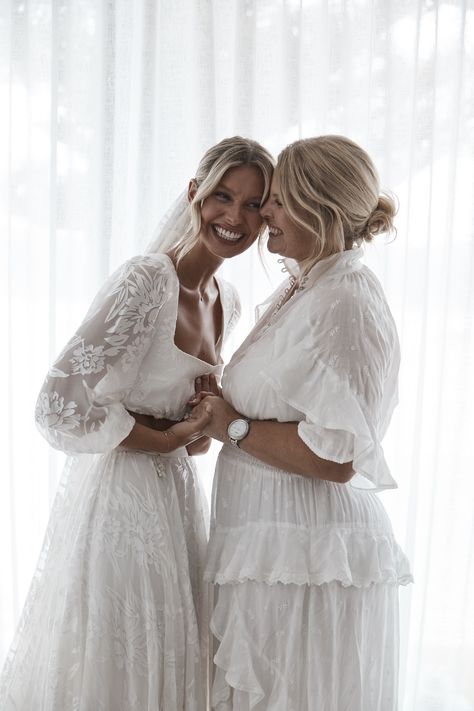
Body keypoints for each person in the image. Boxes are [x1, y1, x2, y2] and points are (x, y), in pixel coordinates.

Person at [0, 136, 274, 711]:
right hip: (119, 499)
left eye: (253, 204)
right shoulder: (147, 279)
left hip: (175, 499)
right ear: (195, 193)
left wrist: (198, 423)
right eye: (223, 196)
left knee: (171, 658)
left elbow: (193, 440)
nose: (235, 217)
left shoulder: (230, 299)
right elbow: (58, 403)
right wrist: (169, 436)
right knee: (118, 663)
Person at [192, 136, 413, 711]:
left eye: (280, 201)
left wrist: (232, 427)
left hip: (308, 560)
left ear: (324, 210)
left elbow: (337, 457)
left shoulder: (345, 300)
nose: (264, 212)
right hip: (276, 548)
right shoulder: (308, 284)